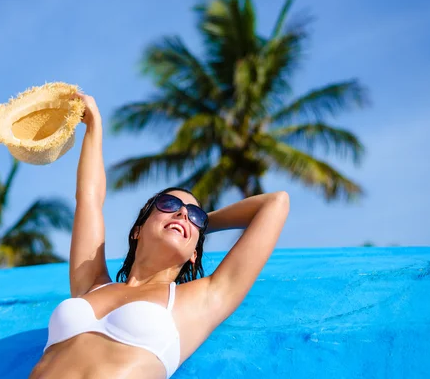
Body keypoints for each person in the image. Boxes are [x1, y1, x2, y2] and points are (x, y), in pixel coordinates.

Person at [29, 94, 290, 379]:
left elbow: (275, 203)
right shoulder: (91, 283)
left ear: (194, 255)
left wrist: (197, 227)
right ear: (137, 229)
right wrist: (94, 125)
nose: (182, 214)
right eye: (169, 206)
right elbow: (89, 200)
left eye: (194, 214)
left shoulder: (203, 298)